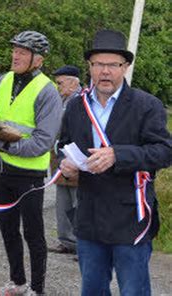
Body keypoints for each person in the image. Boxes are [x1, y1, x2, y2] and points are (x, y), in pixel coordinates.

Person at [58, 29, 171, 295]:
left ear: (125, 67)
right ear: (90, 66)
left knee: (134, 291)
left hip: (130, 219)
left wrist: (118, 155)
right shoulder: (76, 107)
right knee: (92, 290)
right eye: (99, 64)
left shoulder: (147, 105)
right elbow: (63, 144)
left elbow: (164, 151)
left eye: (113, 65)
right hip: (89, 217)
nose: (105, 71)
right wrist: (66, 164)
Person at [0, 31, 63, 295]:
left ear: (38, 60)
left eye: (23, 52)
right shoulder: (4, 79)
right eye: (15, 50)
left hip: (29, 175)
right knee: (7, 229)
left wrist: (2, 144)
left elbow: (42, 141)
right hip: (2, 169)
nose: (15, 55)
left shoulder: (47, 91)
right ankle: (17, 282)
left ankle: (37, 290)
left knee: (33, 234)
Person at [48, 65, 82, 255]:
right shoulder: (62, 99)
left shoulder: (81, 99)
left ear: (72, 82)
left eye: (60, 82)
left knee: (78, 201)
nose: (58, 85)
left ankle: (81, 245)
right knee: (62, 201)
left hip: (74, 155)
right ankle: (66, 241)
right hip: (59, 155)